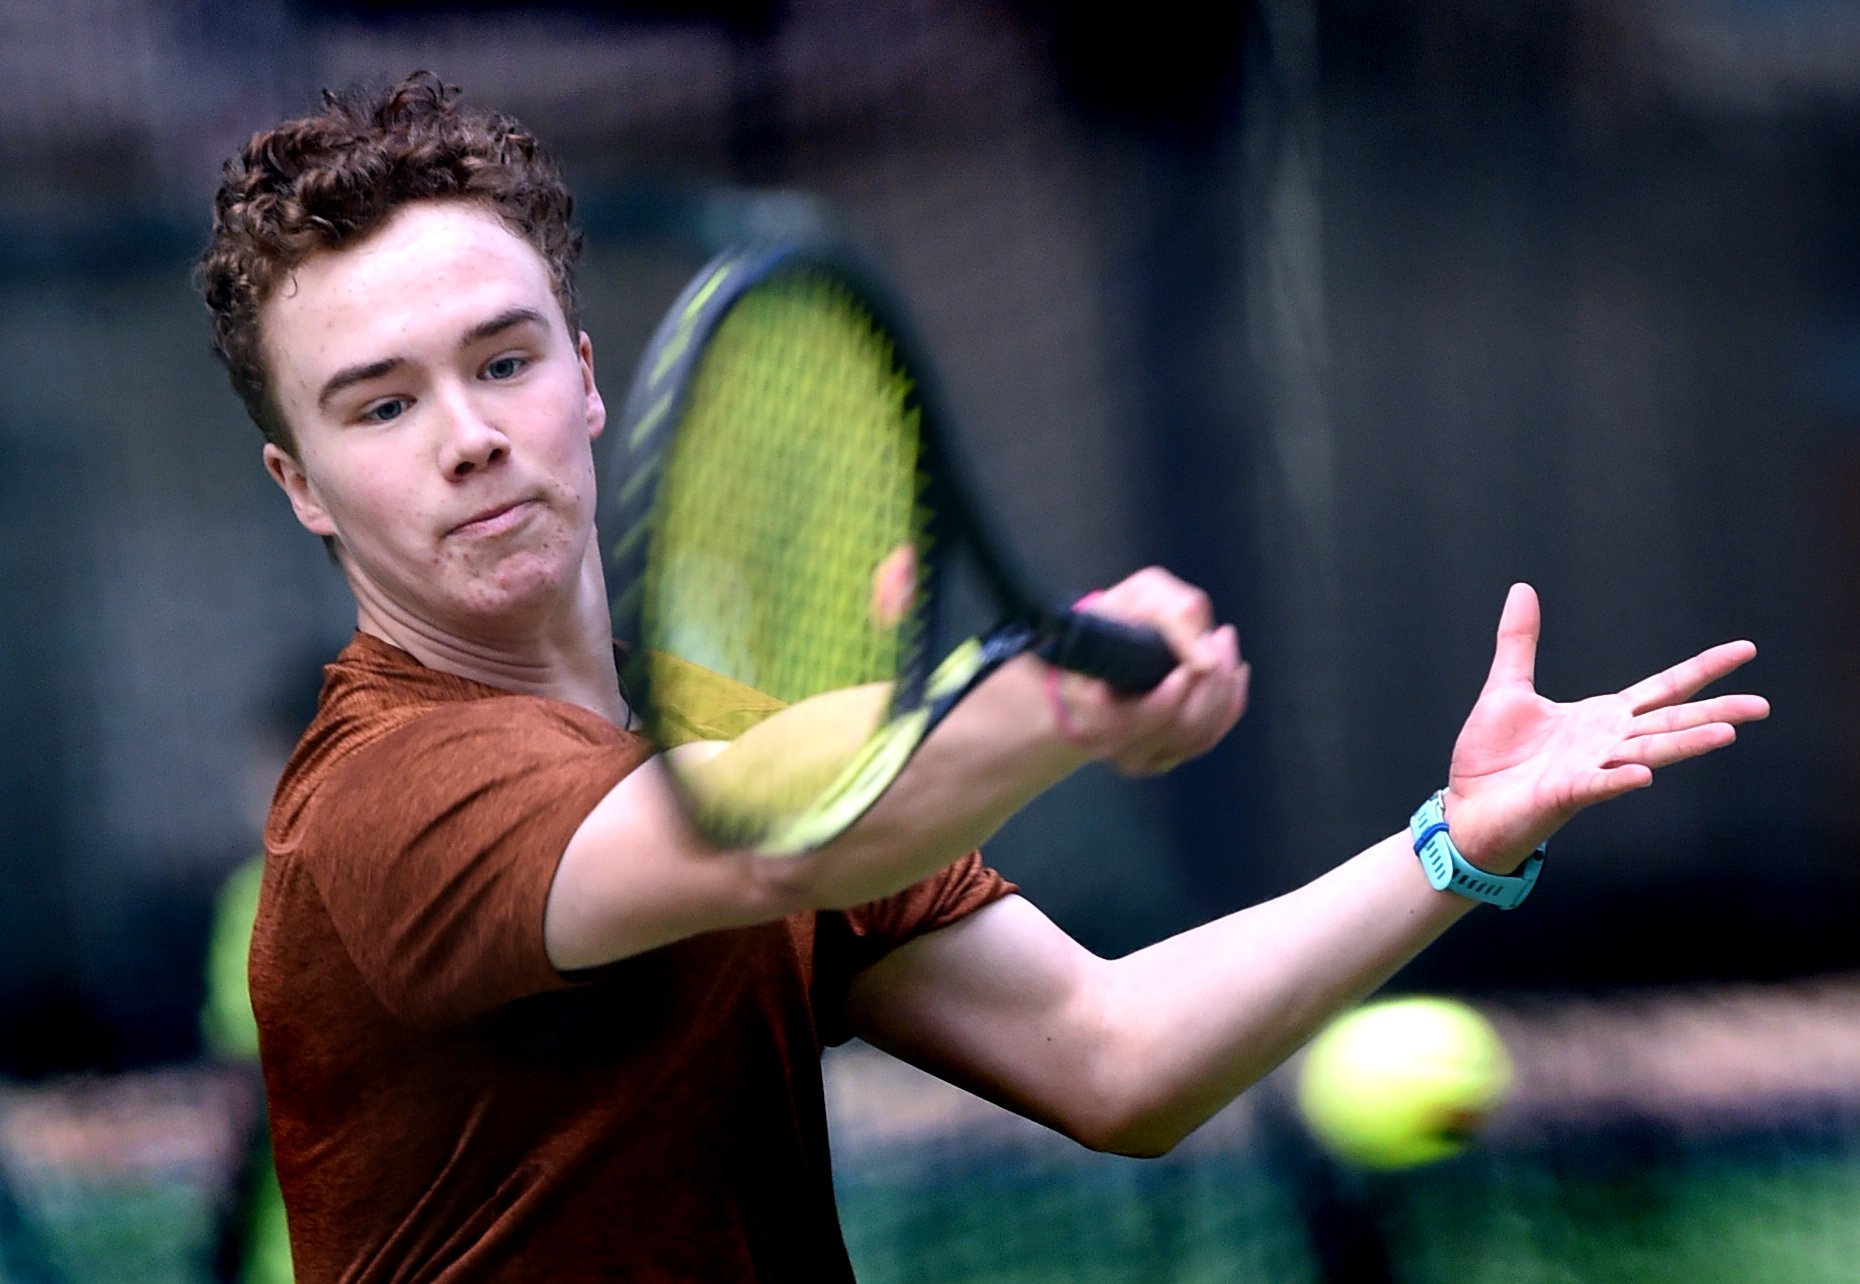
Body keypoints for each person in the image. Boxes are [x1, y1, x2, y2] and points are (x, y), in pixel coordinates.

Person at [197, 71, 1768, 1282]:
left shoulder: (739, 737)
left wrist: (1454, 842)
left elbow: (1113, 1059)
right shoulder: (383, 803)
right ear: (302, 485)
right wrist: (1054, 704)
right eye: (380, 406)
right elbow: (782, 836)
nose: (468, 432)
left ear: (587, 379)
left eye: (502, 360)